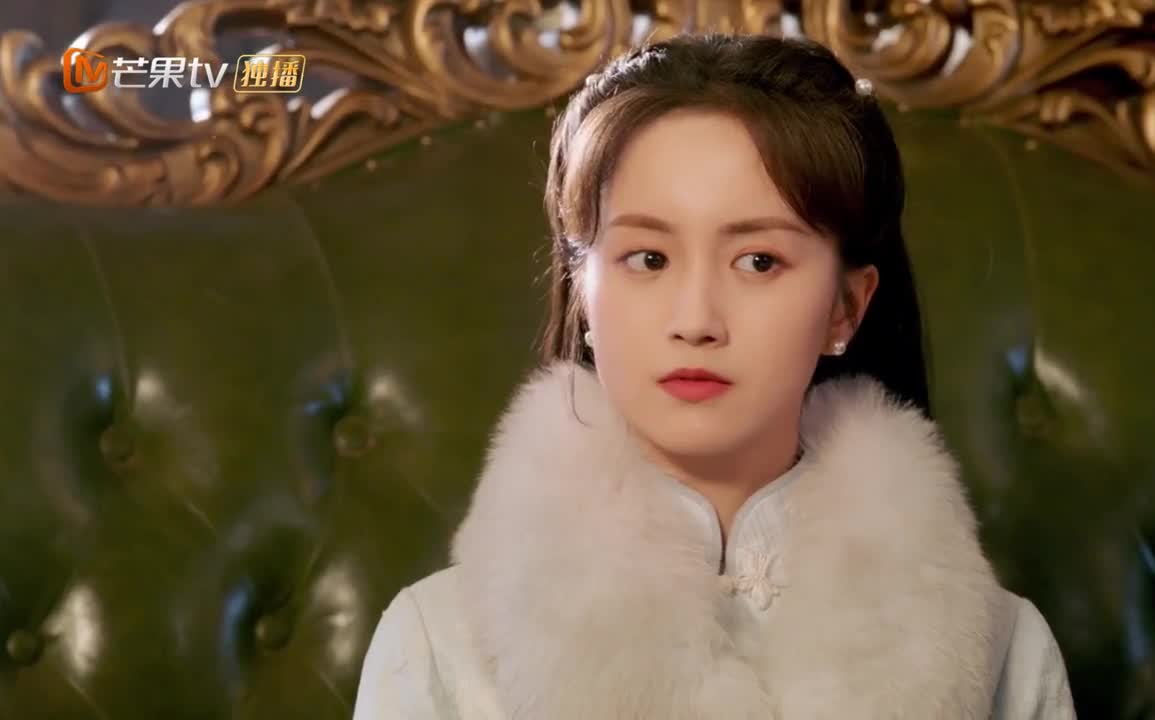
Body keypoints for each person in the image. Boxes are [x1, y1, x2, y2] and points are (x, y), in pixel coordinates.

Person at [353, 32, 1076, 719]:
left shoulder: (1003, 651)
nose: (696, 319)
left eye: (758, 262)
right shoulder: (438, 646)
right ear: (582, 292)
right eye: (648, 259)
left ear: (846, 307)